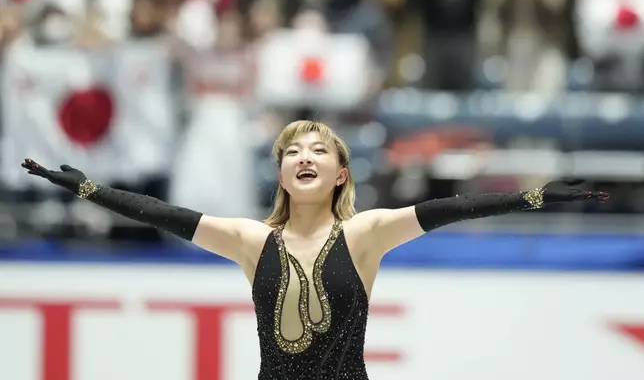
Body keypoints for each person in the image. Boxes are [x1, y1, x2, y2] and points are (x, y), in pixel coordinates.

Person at [21, 120, 609, 379]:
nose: (304, 157)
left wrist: (533, 196)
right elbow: (165, 215)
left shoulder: (367, 233)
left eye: (318, 151)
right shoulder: (251, 241)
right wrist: (89, 189)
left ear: (340, 175)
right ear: (279, 174)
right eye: (292, 151)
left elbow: (452, 208)